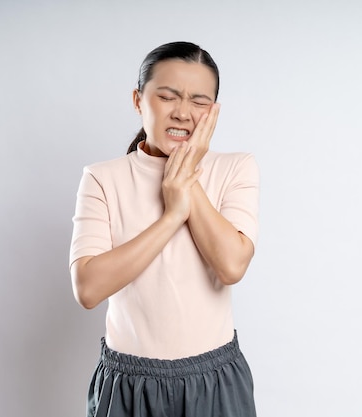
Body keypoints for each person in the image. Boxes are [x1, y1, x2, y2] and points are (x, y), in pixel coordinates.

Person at [69, 41, 259, 417]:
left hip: (215, 380)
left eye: (199, 101)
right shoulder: (102, 178)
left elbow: (232, 266)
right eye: (168, 96)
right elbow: (88, 289)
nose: (183, 113)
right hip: (129, 384)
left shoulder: (236, 168)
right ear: (139, 100)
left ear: (214, 111)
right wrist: (172, 216)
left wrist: (186, 179)